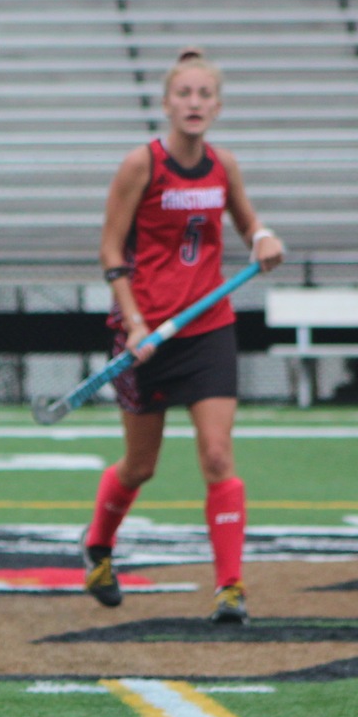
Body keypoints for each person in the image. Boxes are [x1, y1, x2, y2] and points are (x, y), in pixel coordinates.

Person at [81, 47, 284, 625]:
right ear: (167, 103)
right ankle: (98, 546)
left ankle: (230, 588)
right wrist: (137, 323)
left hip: (208, 330)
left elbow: (249, 224)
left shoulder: (223, 167)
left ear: (216, 106)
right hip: (144, 334)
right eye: (184, 94)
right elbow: (110, 250)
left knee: (218, 456)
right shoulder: (140, 165)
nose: (194, 103)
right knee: (140, 465)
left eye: (204, 95)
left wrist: (264, 237)